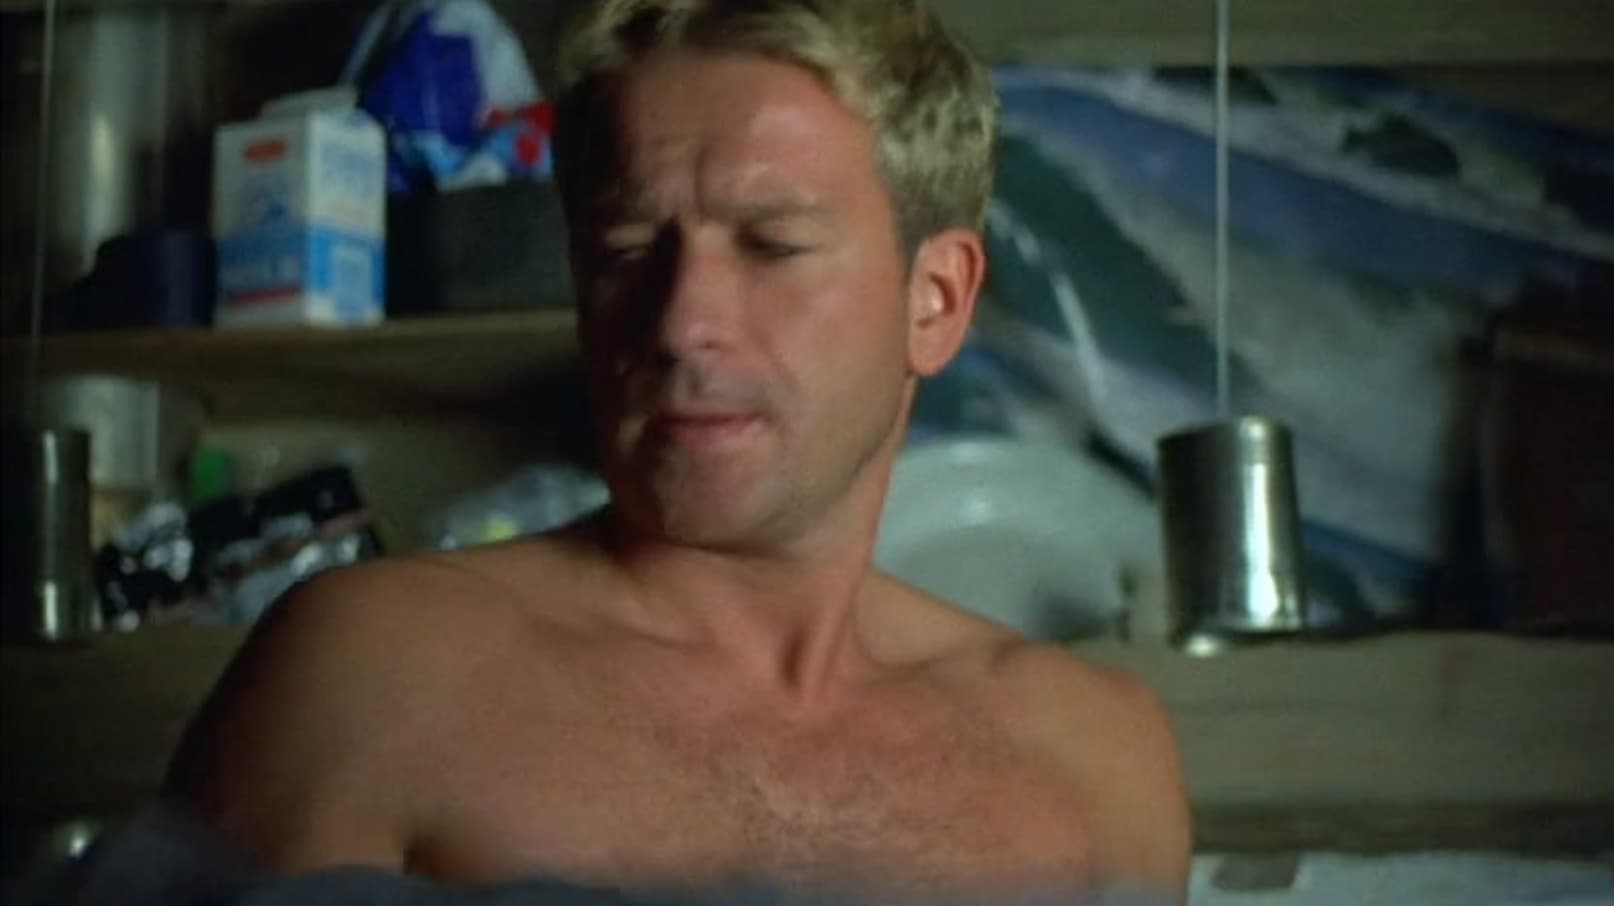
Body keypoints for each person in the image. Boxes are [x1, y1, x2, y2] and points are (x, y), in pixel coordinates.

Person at [159, 0, 1192, 901]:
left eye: (772, 245)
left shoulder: (1096, 759)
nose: (681, 322)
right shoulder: (372, 678)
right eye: (624, 251)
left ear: (936, 301)